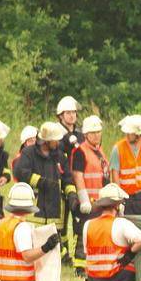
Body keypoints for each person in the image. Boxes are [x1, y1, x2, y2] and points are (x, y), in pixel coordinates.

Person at [14, 122, 76, 265]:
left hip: (55, 205)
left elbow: (67, 178)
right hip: (36, 207)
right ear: (46, 141)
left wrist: (72, 194)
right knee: (34, 238)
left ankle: (62, 258)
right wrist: (42, 182)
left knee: (56, 236)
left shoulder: (60, 156)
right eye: (55, 140)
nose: (58, 142)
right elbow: (21, 173)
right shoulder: (29, 153)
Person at [70, 115, 109, 278]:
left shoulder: (99, 151)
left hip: (100, 201)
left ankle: (95, 264)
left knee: (98, 234)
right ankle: (80, 268)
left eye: (98, 132)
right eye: (93, 133)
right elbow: (78, 176)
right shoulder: (80, 151)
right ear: (86, 134)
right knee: (84, 235)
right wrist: (83, 199)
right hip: (88, 202)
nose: (96, 135)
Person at [110, 115, 141, 216]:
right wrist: (119, 199)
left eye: (130, 132)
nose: (127, 134)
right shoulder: (118, 148)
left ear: (138, 134)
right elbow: (115, 175)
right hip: (125, 196)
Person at [56, 96, 85, 266]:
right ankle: (62, 254)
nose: (72, 115)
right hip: (61, 181)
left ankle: (77, 254)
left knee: (78, 219)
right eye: (68, 113)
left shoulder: (80, 134)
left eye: (74, 112)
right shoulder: (55, 134)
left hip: (78, 180)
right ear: (60, 115)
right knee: (60, 220)